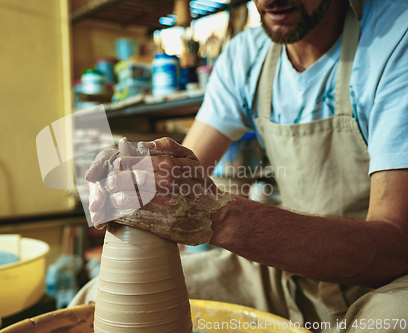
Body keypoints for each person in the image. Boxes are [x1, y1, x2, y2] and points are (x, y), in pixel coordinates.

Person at [71, 0, 408, 331]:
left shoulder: (395, 35)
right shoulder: (246, 55)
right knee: (94, 300)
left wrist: (217, 215)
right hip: (293, 275)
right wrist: (140, 178)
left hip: (386, 282)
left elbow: (395, 247)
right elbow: (181, 169)